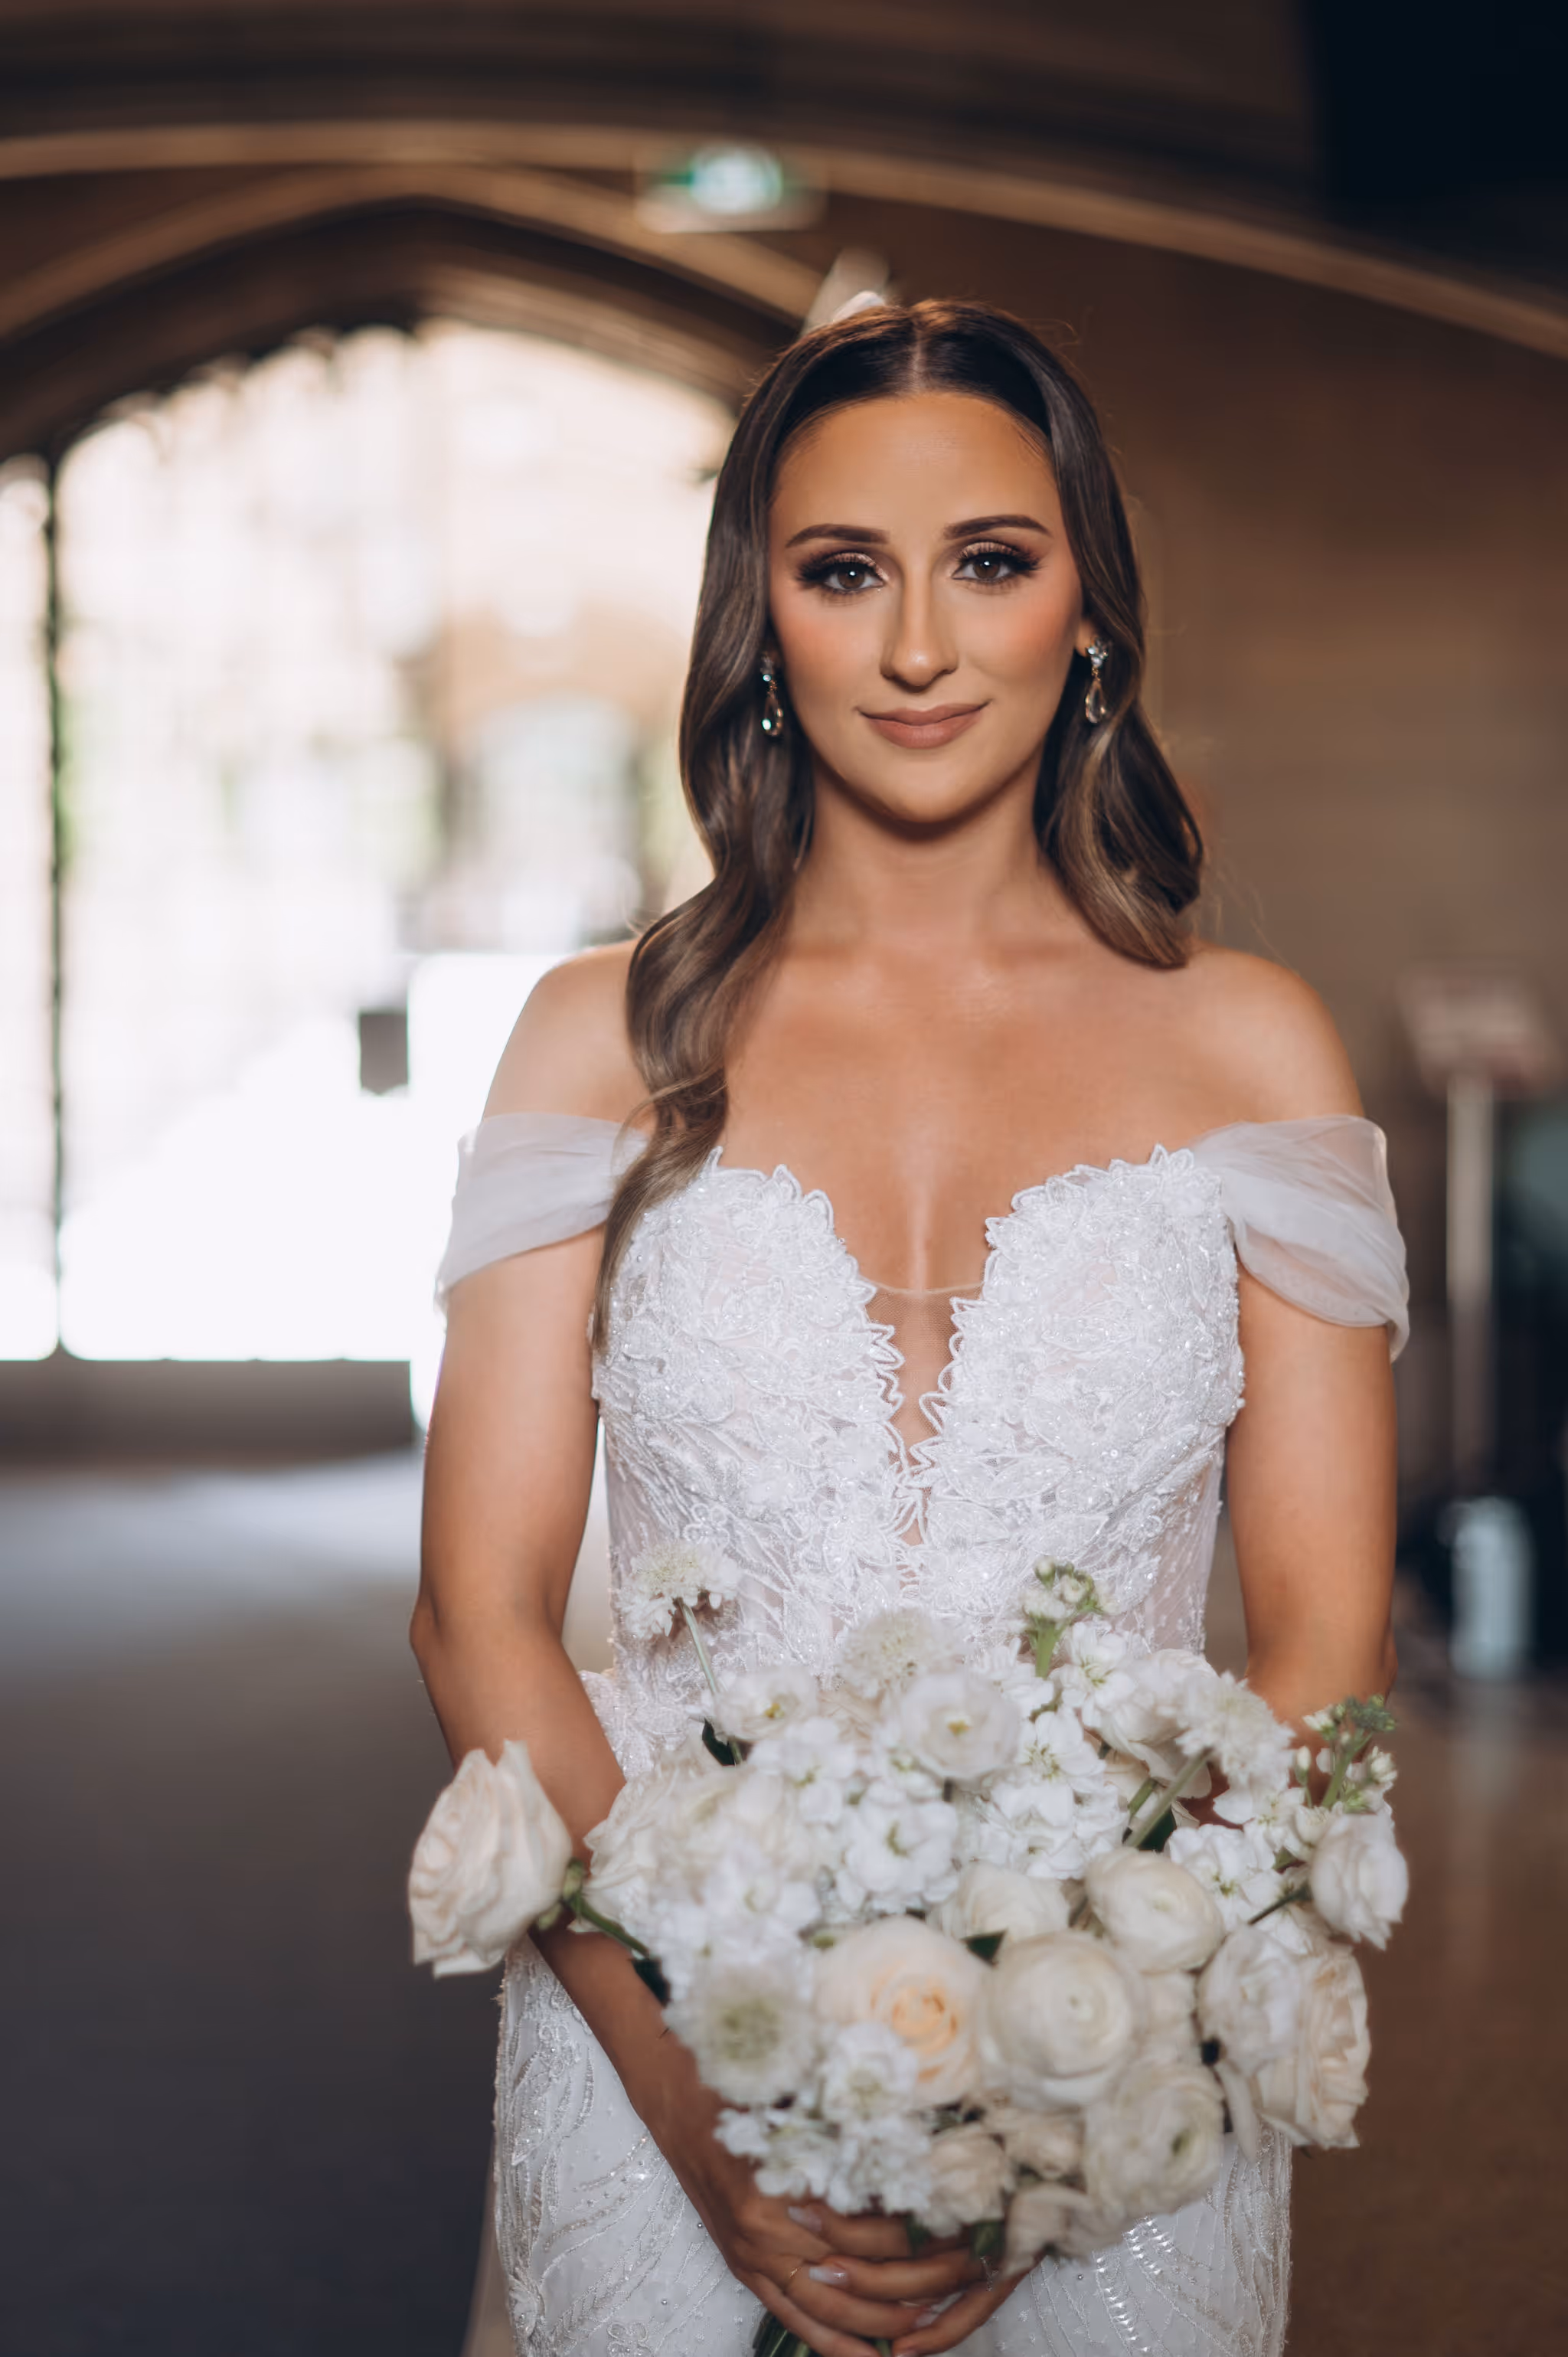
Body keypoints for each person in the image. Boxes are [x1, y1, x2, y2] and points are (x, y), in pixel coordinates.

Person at [413, 299, 1407, 2357]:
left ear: (1091, 610)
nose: (924, 647)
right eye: (845, 570)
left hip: (1135, 2019)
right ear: (760, 618)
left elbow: (1318, 1645)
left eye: (994, 560)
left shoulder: (1248, 1044)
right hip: (654, 1985)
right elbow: (481, 1608)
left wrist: (1081, 2086)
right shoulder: (599, 1039)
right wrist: (688, 2101)